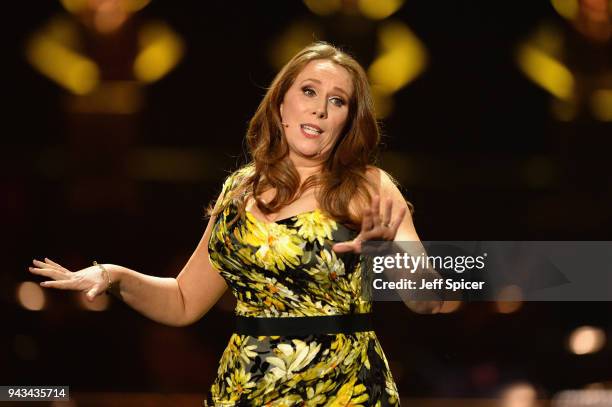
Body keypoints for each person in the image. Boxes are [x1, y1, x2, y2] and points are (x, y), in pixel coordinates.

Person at [29, 41, 442, 406]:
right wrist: (113, 276)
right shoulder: (240, 189)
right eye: (309, 91)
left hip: (341, 390)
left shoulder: (368, 187)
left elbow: (428, 299)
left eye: (338, 101)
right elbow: (184, 302)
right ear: (282, 104)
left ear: (348, 121)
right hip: (245, 389)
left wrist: (389, 250)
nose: (320, 107)